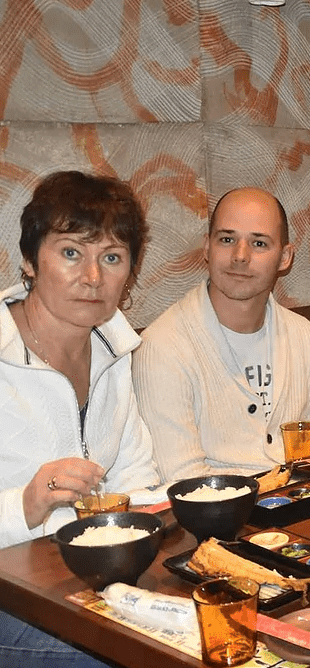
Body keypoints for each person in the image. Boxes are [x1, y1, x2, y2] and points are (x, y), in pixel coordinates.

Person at [0, 170, 161, 666]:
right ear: (29, 261)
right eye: (71, 252)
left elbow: (137, 474)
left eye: (111, 258)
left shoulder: (114, 348)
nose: (93, 278)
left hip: (88, 580)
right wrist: (27, 503)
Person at [132, 187, 310, 481]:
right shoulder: (162, 347)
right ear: (207, 249)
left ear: (285, 257)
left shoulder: (304, 336)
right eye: (227, 239)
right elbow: (182, 478)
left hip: (302, 505)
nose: (240, 256)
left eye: (259, 243)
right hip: (217, 520)